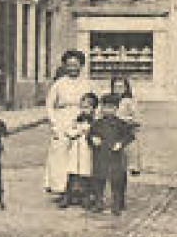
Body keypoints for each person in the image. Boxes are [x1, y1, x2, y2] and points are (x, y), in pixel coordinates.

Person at [43, 49, 94, 197]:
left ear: (81, 66)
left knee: (81, 153)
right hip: (63, 119)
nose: (73, 68)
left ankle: (81, 187)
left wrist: (90, 121)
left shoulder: (87, 84)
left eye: (76, 65)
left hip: (82, 119)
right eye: (69, 65)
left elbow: (94, 102)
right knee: (60, 152)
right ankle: (59, 186)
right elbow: (49, 105)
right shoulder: (59, 84)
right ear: (65, 66)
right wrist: (54, 123)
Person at [86, 92, 137, 215]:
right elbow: (89, 135)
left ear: (116, 109)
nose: (108, 110)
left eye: (111, 108)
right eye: (105, 107)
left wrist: (121, 143)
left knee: (116, 181)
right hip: (100, 156)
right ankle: (99, 202)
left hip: (115, 157)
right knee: (98, 180)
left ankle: (116, 204)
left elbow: (130, 136)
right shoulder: (97, 123)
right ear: (101, 108)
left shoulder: (121, 124)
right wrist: (93, 139)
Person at [57, 91, 99, 209]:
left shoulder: (95, 122)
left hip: (87, 152)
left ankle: (86, 196)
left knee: (86, 174)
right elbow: (68, 132)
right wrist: (78, 131)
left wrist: (91, 133)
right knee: (72, 173)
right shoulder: (77, 120)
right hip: (75, 151)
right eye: (82, 107)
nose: (84, 110)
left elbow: (97, 136)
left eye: (87, 107)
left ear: (93, 108)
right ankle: (68, 196)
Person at [111, 75, 142, 176]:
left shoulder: (129, 101)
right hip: (114, 127)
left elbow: (136, 116)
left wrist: (129, 121)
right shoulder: (111, 100)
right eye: (116, 87)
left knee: (130, 145)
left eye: (121, 87)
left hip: (126, 126)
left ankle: (133, 166)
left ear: (126, 88)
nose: (118, 90)